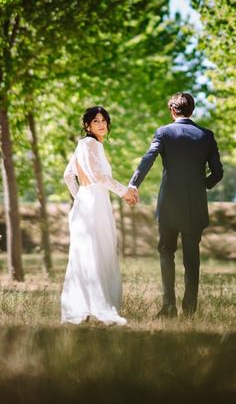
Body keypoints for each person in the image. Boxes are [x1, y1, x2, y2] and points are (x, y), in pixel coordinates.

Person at [128, 92, 223, 318]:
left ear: (172, 110)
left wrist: (133, 184)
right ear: (192, 110)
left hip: (169, 203)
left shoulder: (164, 132)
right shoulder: (206, 135)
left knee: (165, 252)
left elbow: (148, 159)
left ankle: (168, 306)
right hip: (195, 205)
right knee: (192, 260)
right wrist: (203, 185)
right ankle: (189, 310)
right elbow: (218, 172)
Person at [61, 106, 138, 325]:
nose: (101, 124)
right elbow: (99, 176)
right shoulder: (91, 144)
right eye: (95, 121)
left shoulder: (82, 145)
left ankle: (81, 308)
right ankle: (99, 306)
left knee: (86, 253)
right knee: (98, 252)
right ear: (87, 125)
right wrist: (126, 191)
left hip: (86, 202)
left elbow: (68, 176)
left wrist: (80, 198)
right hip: (95, 202)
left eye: (104, 120)